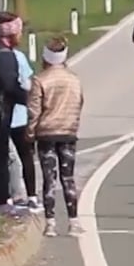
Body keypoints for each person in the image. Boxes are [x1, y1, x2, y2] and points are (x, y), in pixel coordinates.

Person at [28, 36, 85, 237]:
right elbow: (79, 103)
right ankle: (74, 222)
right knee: (68, 177)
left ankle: (50, 223)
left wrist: (30, 132)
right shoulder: (74, 80)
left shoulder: (40, 80)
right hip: (68, 132)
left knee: (49, 178)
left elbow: (34, 110)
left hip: (46, 134)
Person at [0, 13, 37, 216]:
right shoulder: (5, 56)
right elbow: (10, 86)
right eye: (18, 31)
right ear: (10, 34)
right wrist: (28, 101)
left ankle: (1, 200)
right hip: (2, 111)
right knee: (1, 156)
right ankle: (1, 203)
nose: (20, 35)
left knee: (0, 155)